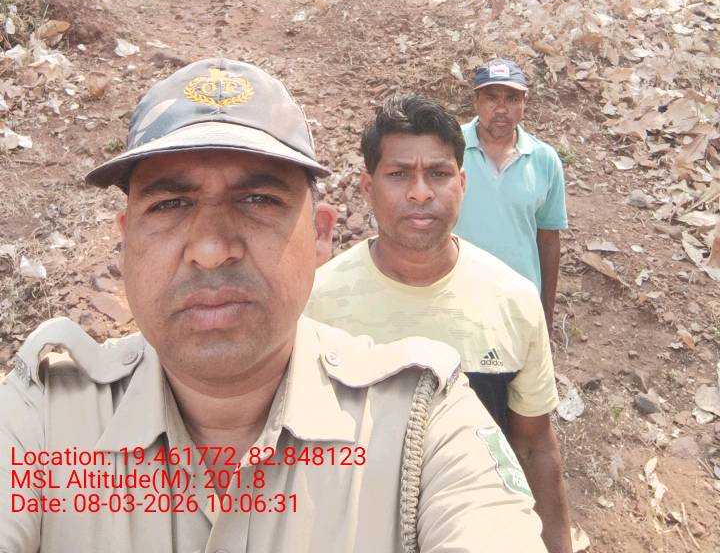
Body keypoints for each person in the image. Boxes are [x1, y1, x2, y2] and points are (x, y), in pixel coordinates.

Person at [0, 58, 547, 553]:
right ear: (126, 243)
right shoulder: (42, 416)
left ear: (320, 235)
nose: (211, 249)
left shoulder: (421, 423)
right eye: (171, 204)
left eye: (258, 200)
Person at [307, 94, 572, 553]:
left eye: (438, 173)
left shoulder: (514, 300)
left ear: (462, 183)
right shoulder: (317, 303)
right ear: (368, 188)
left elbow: (533, 445)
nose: (420, 192)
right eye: (398, 174)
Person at [453, 58, 568, 330]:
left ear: (524, 102)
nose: (502, 109)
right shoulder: (449, 147)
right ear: (476, 100)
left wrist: (546, 312)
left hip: (518, 304)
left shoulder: (544, 159)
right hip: (456, 299)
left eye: (512, 99)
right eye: (491, 98)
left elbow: (549, 240)